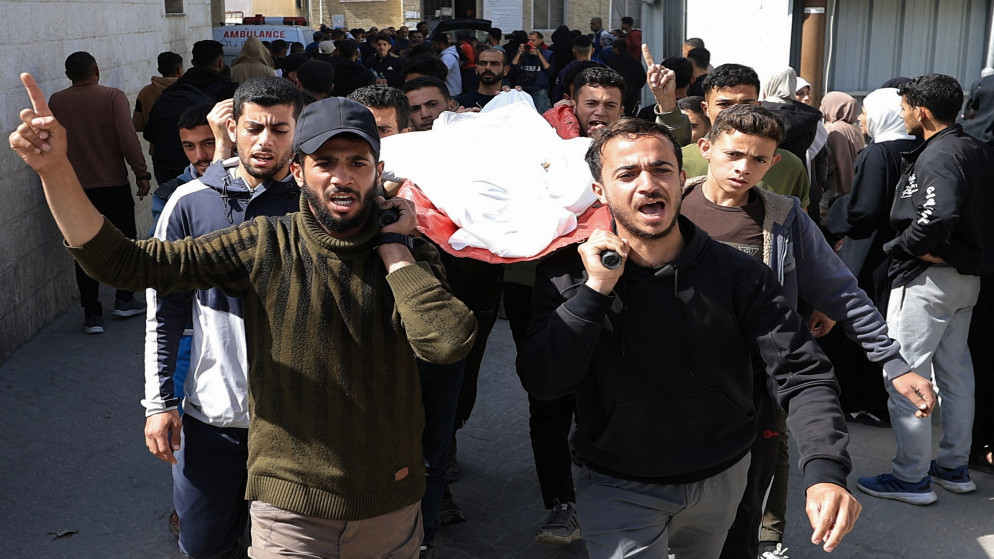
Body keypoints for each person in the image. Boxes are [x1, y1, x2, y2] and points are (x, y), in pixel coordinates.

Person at [11, 75, 477, 558]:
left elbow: (446, 342)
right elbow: (126, 263)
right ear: (299, 172)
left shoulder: (409, 251)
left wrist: (395, 250)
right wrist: (56, 171)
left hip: (388, 506)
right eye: (325, 163)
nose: (341, 177)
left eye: (357, 163)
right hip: (289, 516)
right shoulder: (265, 244)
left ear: (377, 172)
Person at [517, 117, 862, 558]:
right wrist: (595, 291)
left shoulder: (739, 274)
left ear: (681, 179)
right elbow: (545, 381)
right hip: (618, 485)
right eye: (627, 174)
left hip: (723, 480)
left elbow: (803, 372)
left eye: (660, 169)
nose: (647, 184)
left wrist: (826, 471)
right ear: (600, 191)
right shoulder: (568, 276)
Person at [680, 105, 934, 559]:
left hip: (755, 391)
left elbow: (843, 293)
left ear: (774, 162)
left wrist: (894, 363)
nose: (743, 168)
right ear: (707, 148)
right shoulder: (672, 207)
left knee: (744, 510)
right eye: (734, 154)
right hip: (674, 387)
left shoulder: (783, 219)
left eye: (758, 159)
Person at [143, 76, 303, 559]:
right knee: (203, 544)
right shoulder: (190, 202)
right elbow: (163, 312)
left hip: (297, 425)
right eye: (254, 128)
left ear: (298, 131)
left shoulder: (313, 204)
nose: (265, 140)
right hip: (211, 419)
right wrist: (159, 403)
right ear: (233, 129)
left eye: (280, 129)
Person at [858, 73, 994, 505]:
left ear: (922, 111)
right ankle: (953, 467)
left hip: (928, 280)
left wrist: (906, 247)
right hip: (964, 280)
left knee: (904, 373)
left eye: (904, 107)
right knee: (955, 372)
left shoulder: (941, 153)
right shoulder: (975, 148)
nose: (901, 114)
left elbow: (938, 216)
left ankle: (911, 477)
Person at [822, 87, 922, 427]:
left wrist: (837, 214)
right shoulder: (916, 148)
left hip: (871, 251)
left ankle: (862, 401)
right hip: (899, 250)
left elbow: (864, 210)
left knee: (861, 323)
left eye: (866, 111)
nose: (862, 118)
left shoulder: (879, 152)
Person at [48, 52, 151, 334]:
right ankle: (124, 299)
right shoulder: (112, 97)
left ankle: (92, 314)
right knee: (123, 243)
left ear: (68, 75)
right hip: (113, 185)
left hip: (75, 190)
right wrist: (141, 173)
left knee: (84, 250)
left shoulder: (57, 101)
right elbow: (127, 138)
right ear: (96, 70)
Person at [682, 63, 810, 210]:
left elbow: (798, 220)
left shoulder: (790, 166)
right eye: (724, 104)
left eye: (746, 104)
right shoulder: (682, 160)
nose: (736, 111)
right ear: (706, 108)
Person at [145, 40, 238, 185]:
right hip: (210, 167)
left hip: (167, 167)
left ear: (193, 63)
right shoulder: (228, 92)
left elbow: (149, 134)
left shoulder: (173, 89)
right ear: (220, 63)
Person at [133, 52, 183, 133]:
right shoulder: (188, 89)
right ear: (179, 70)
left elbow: (137, 125)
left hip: (157, 140)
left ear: (159, 70)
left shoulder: (145, 92)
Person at [511, 32, 556, 113]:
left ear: (540, 40)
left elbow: (550, 71)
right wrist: (519, 54)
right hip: (523, 90)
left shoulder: (547, 54)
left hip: (539, 90)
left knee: (542, 113)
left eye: (533, 40)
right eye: (528, 40)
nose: (530, 42)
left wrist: (539, 55)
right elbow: (512, 69)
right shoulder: (523, 54)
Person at [432, 32, 463, 97]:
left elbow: (441, 73)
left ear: (441, 44)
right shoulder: (445, 55)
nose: (433, 47)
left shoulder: (448, 57)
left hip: (451, 93)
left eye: (435, 44)